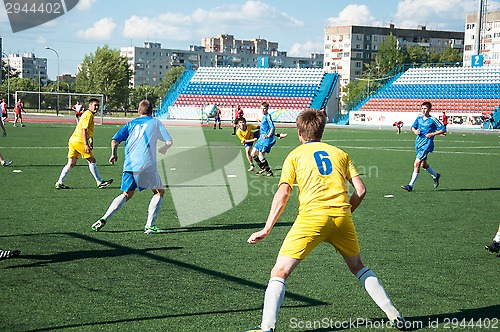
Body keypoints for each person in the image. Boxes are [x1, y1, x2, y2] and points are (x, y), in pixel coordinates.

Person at [244, 109, 406, 332]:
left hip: (311, 219)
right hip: (342, 217)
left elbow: (283, 195)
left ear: (300, 133)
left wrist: (266, 228)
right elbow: (361, 189)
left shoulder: (295, 155)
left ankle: (267, 328)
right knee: (358, 267)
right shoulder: (340, 153)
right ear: (321, 131)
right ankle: (394, 314)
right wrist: (345, 215)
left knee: (279, 272)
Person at [91, 100, 173, 234]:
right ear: (152, 112)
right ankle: (149, 226)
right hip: (147, 164)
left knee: (126, 194)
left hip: (129, 164)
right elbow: (169, 141)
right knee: (159, 192)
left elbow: (115, 140)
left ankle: (104, 218)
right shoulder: (155, 122)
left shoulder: (131, 124)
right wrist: (164, 148)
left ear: (138, 111)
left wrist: (113, 154)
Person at [55, 98, 113, 189]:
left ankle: (59, 182)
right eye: (95, 105)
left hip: (73, 140)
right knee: (92, 160)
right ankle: (99, 182)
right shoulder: (88, 115)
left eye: (98, 105)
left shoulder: (88, 114)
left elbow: (86, 129)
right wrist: (86, 144)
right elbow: (83, 130)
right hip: (79, 141)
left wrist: (91, 139)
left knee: (71, 163)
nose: (97, 107)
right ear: (89, 106)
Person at [401, 101, 445, 192]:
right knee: (423, 164)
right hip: (418, 143)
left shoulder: (433, 119)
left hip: (427, 144)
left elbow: (443, 129)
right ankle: (435, 176)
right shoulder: (419, 118)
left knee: (416, 164)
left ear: (429, 109)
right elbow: (413, 127)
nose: (423, 110)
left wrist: (432, 134)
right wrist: (415, 131)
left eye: (425, 108)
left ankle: (410, 185)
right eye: (422, 108)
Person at [250, 101, 276, 176]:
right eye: (261, 108)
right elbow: (264, 127)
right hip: (261, 139)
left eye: (264, 108)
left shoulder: (268, 116)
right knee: (253, 154)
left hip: (265, 140)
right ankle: (263, 168)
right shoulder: (264, 117)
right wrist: (259, 122)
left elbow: (272, 127)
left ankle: (269, 171)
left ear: (267, 109)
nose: (262, 110)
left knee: (261, 156)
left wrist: (268, 135)